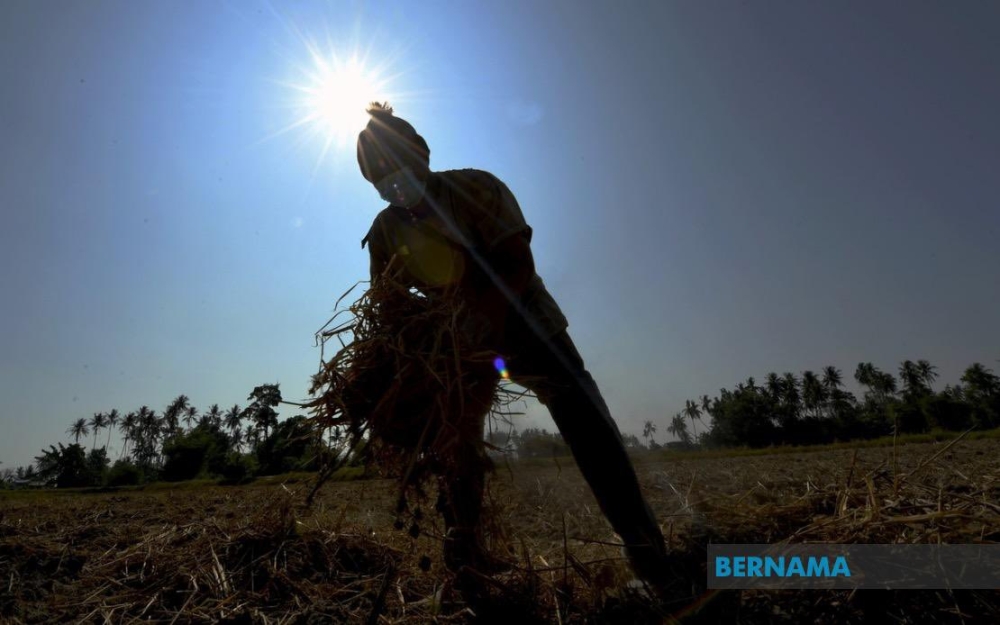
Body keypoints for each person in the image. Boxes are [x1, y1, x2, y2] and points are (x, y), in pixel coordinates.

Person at [355, 102, 674, 593]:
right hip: (459, 349)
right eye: (380, 179)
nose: (394, 184)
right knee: (455, 446)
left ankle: (644, 547)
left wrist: (481, 321)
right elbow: (390, 306)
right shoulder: (385, 233)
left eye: (400, 169)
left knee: (588, 426)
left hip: (530, 327)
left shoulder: (475, 188)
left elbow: (515, 263)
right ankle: (467, 556)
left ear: (423, 155)